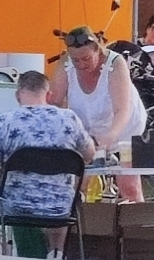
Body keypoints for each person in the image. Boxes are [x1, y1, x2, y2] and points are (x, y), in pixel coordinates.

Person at [0, 72, 95, 255]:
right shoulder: (69, 119)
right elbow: (89, 154)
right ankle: (56, 253)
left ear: (18, 95)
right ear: (49, 95)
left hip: (15, 207)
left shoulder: (5, 122)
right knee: (63, 190)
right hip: (61, 208)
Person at [50, 26, 146, 202]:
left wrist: (110, 136)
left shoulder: (115, 64)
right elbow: (54, 102)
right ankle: (82, 218)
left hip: (125, 131)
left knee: (130, 187)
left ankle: (138, 218)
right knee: (78, 184)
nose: (81, 65)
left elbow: (122, 110)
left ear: (98, 51)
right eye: (76, 60)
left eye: (86, 59)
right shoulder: (65, 63)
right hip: (87, 131)